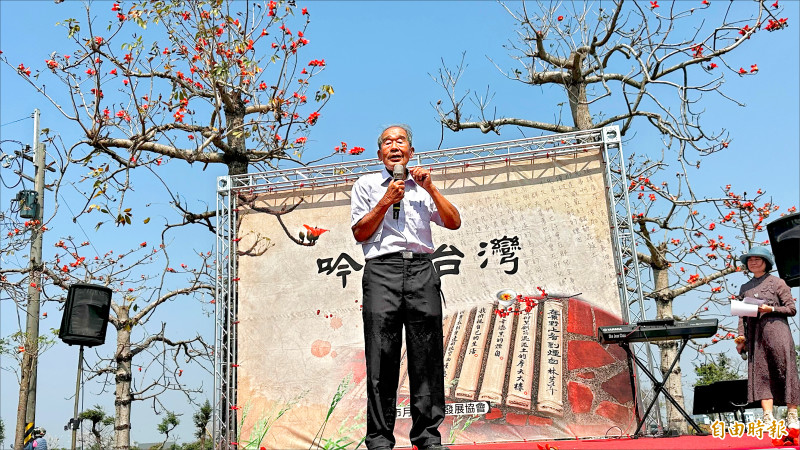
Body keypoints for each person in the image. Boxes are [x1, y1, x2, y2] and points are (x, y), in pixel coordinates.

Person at [351, 124, 460, 450]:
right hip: (381, 271)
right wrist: (386, 200)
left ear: (411, 152)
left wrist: (432, 189)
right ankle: (380, 440)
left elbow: (453, 221)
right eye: (387, 142)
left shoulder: (422, 187)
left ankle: (427, 437)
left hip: (420, 270)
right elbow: (360, 232)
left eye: (401, 141)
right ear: (379, 152)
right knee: (381, 357)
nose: (394, 146)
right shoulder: (366, 184)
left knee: (425, 357)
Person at [734, 246, 800, 429]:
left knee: (786, 370)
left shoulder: (778, 282)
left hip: (778, 331)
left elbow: (791, 309)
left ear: (766, 262)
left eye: (757, 259)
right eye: (750, 260)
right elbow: (742, 316)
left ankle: (792, 415)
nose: (753, 263)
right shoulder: (745, 287)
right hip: (756, 335)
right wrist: (741, 338)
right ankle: (768, 417)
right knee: (761, 373)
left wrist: (770, 309)